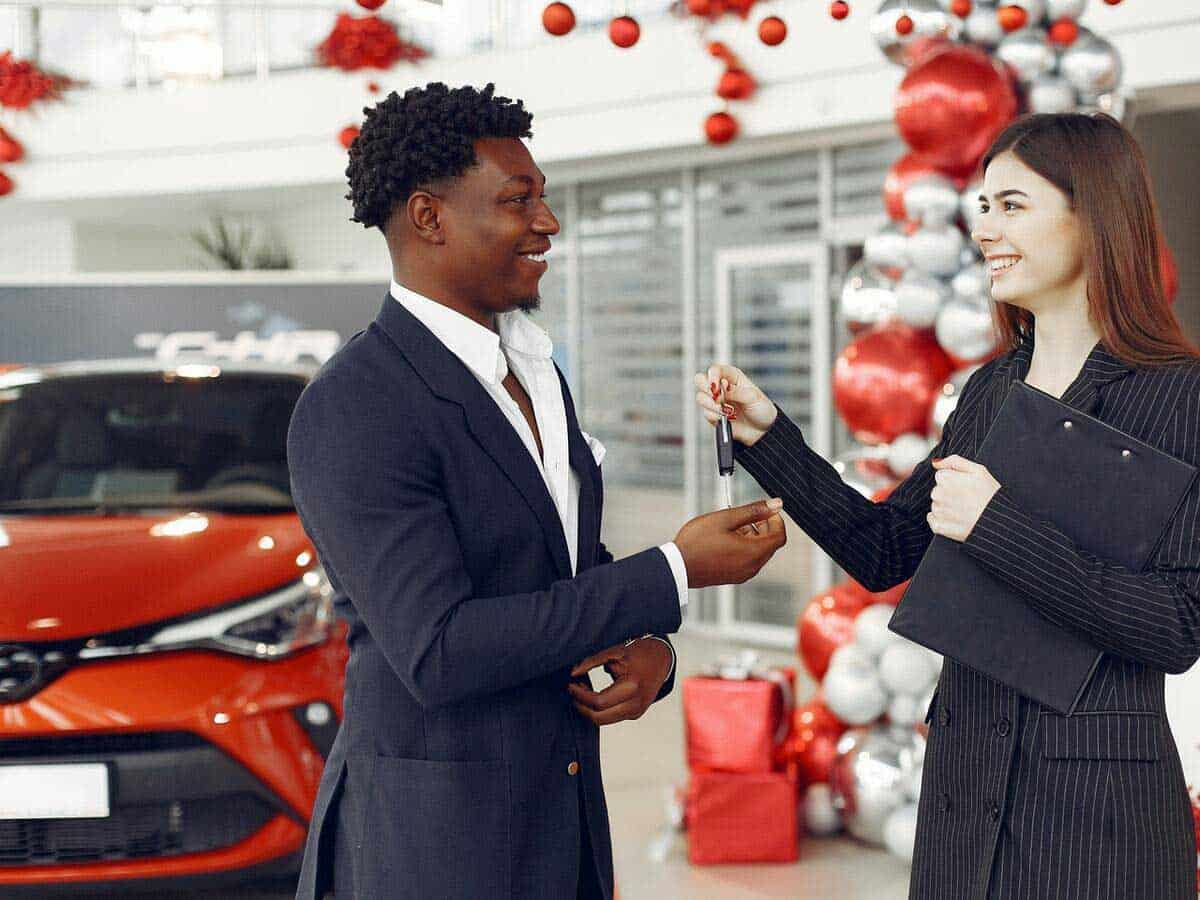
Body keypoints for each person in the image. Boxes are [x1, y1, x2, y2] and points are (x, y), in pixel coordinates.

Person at [288, 82, 786, 900]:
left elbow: (566, 570)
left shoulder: (535, 371)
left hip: (562, 828)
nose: (547, 224)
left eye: (543, 200)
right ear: (429, 217)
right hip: (433, 851)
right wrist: (674, 571)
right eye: (519, 202)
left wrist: (653, 656)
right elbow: (439, 650)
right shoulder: (356, 405)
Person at [695, 112, 1200, 900]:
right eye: (982, 208)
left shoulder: (1179, 395)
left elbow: (1175, 627)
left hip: (1099, 816)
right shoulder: (991, 389)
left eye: (1012, 206)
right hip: (964, 795)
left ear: (1094, 212)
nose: (985, 231)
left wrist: (999, 526)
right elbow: (885, 548)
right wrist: (769, 437)